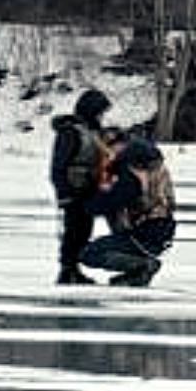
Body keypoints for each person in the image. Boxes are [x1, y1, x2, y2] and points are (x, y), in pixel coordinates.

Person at [80, 136, 176, 286]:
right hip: (160, 231)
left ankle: (143, 266)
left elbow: (111, 201)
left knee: (89, 253)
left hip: (143, 235)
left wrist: (84, 202)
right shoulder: (155, 167)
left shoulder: (131, 174)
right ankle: (136, 274)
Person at [50, 88, 112, 284]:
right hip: (73, 190)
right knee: (73, 231)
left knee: (84, 230)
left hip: (89, 190)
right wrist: (63, 193)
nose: (102, 116)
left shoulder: (93, 131)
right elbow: (58, 165)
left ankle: (74, 269)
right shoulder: (71, 132)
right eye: (100, 111)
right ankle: (67, 270)